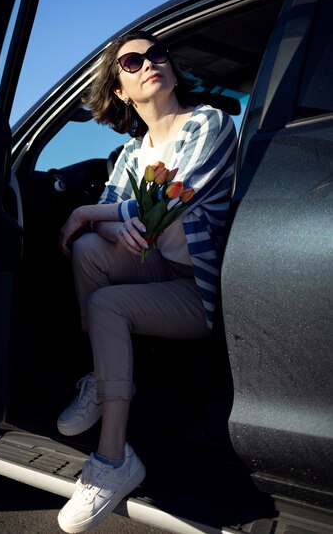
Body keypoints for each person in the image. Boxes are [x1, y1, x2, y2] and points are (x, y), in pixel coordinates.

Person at [56, 30, 238, 533]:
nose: (149, 63)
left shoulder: (209, 124)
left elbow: (174, 199)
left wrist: (84, 210)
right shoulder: (131, 156)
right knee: (91, 249)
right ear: (120, 91)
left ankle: (113, 461)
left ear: (173, 68)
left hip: (196, 289)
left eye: (157, 54)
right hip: (155, 266)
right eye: (132, 62)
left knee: (106, 301)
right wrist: (107, 222)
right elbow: (113, 225)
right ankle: (104, 376)